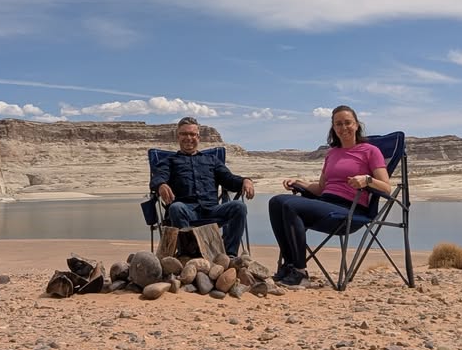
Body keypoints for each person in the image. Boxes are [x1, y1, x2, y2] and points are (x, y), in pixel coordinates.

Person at [269, 105, 390, 285]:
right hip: (325, 203)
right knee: (276, 202)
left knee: (290, 205)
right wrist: (299, 182)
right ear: (333, 128)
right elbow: (320, 188)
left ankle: (300, 274)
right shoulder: (332, 153)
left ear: (357, 125)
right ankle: (290, 265)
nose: (343, 128)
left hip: (349, 211)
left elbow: (386, 188)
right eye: (338, 124)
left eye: (348, 123)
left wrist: (367, 180)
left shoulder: (370, 151)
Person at [150, 116, 256, 256]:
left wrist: (246, 181)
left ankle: (229, 255)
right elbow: (157, 178)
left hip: (212, 210)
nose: (189, 138)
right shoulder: (169, 161)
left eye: (192, 134)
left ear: (198, 137)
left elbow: (229, 180)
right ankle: (189, 256)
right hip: (186, 211)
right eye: (184, 134)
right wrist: (161, 185)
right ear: (178, 137)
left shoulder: (212, 160)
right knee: (176, 207)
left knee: (239, 207)